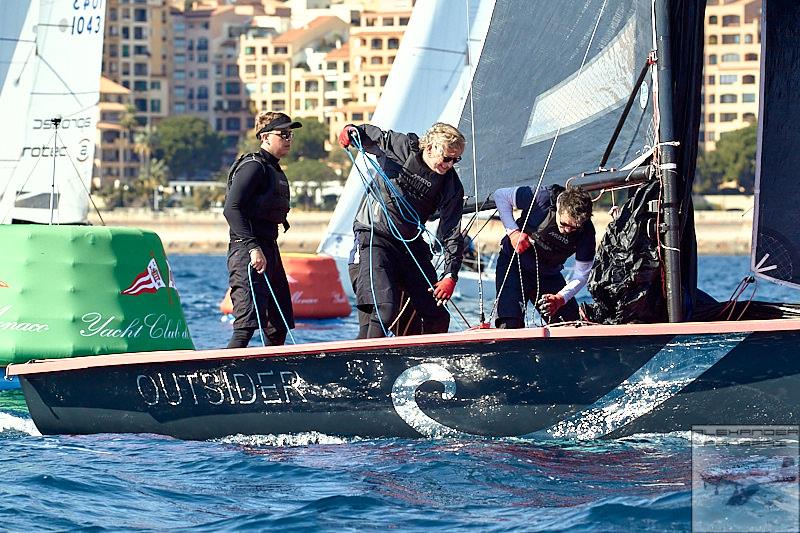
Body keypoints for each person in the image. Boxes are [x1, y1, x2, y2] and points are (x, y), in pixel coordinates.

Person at [338, 122, 466, 338]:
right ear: (430, 147)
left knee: (437, 315)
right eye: (446, 158)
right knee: (384, 310)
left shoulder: (451, 184)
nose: (449, 165)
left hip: (410, 244)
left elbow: (452, 231)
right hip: (375, 237)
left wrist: (450, 274)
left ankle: (426, 364)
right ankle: (366, 365)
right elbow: (370, 134)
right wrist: (353, 130)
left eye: (456, 160)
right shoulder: (402, 146)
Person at [223, 111, 301, 348]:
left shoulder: (274, 169)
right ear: (265, 137)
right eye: (283, 134)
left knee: (278, 325)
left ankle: (276, 375)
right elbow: (231, 208)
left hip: (269, 249)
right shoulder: (253, 166)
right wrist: (253, 247)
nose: (288, 139)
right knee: (246, 325)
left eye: (291, 135)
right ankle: (222, 374)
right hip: (247, 250)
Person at [493, 183, 595, 327]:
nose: (567, 230)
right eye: (564, 223)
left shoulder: (587, 232)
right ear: (560, 207)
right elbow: (500, 194)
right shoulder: (541, 197)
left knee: (571, 324)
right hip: (514, 264)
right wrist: (513, 232)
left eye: (574, 227)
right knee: (510, 322)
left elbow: (581, 275)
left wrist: (560, 298)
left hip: (548, 273)